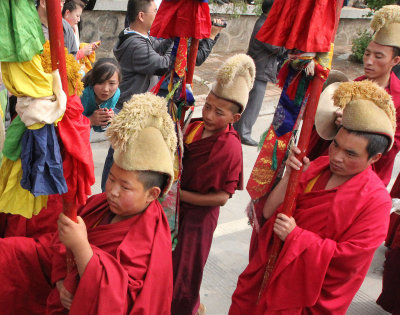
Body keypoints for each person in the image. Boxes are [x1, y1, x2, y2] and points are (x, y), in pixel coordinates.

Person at [0, 92, 176, 314]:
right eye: (111, 178)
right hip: (65, 284)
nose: (111, 191)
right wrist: (60, 280)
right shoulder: (101, 204)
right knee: (9, 254)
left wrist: (81, 245)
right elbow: (58, 243)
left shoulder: (151, 236)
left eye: (125, 186)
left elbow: (120, 301)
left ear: (152, 194)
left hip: (89, 303)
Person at [229, 80, 394, 314]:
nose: (337, 157)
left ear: (374, 158)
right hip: (267, 276)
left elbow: (350, 261)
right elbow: (267, 215)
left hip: (305, 296)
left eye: (350, 154)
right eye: (335, 146)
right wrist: (289, 177)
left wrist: (296, 237)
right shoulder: (318, 166)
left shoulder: (376, 201)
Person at [172, 54, 255, 315]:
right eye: (207, 106)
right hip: (176, 209)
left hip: (198, 219)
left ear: (235, 117)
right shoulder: (194, 126)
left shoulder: (229, 147)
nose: (208, 114)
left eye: (218, 112)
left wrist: (180, 196)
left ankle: (185, 309)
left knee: (185, 270)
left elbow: (221, 198)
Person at [307, 5, 400, 187]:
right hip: (333, 165)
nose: (369, 61)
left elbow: (393, 144)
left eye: (378, 56)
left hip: (365, 177)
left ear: (395, 61)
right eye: (367, 54)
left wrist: (356, 125)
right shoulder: (354, 84)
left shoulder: (398, 97)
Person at [101, 0, 172, 191]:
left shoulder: (139, 37)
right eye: (155, 11)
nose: (158, 15)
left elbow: (159, 45)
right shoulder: (135, 44)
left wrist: (174, 35)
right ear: (141, 16)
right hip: (127, 109)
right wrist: (176, 46)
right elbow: (163, 64)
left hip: (132, 106)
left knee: (124, 154)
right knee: (118, 156)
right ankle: (107, 193)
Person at [234, 0, 286, 146]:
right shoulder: (263, 26)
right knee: (253, 104)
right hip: (259, 70)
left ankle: (240, 131)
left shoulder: (265, 24)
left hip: (259, 69)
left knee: (250, 102)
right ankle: (244, 133)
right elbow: (277, 48)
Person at [80, 58, 120, 132]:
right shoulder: (83, 94)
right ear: (93, 81)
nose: (105, 89)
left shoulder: (116, 94)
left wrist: (108, 119)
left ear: (118, 83)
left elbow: (99, 129)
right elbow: (71, 125)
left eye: (112, 83)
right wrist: (91, 120)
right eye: (100, 82)